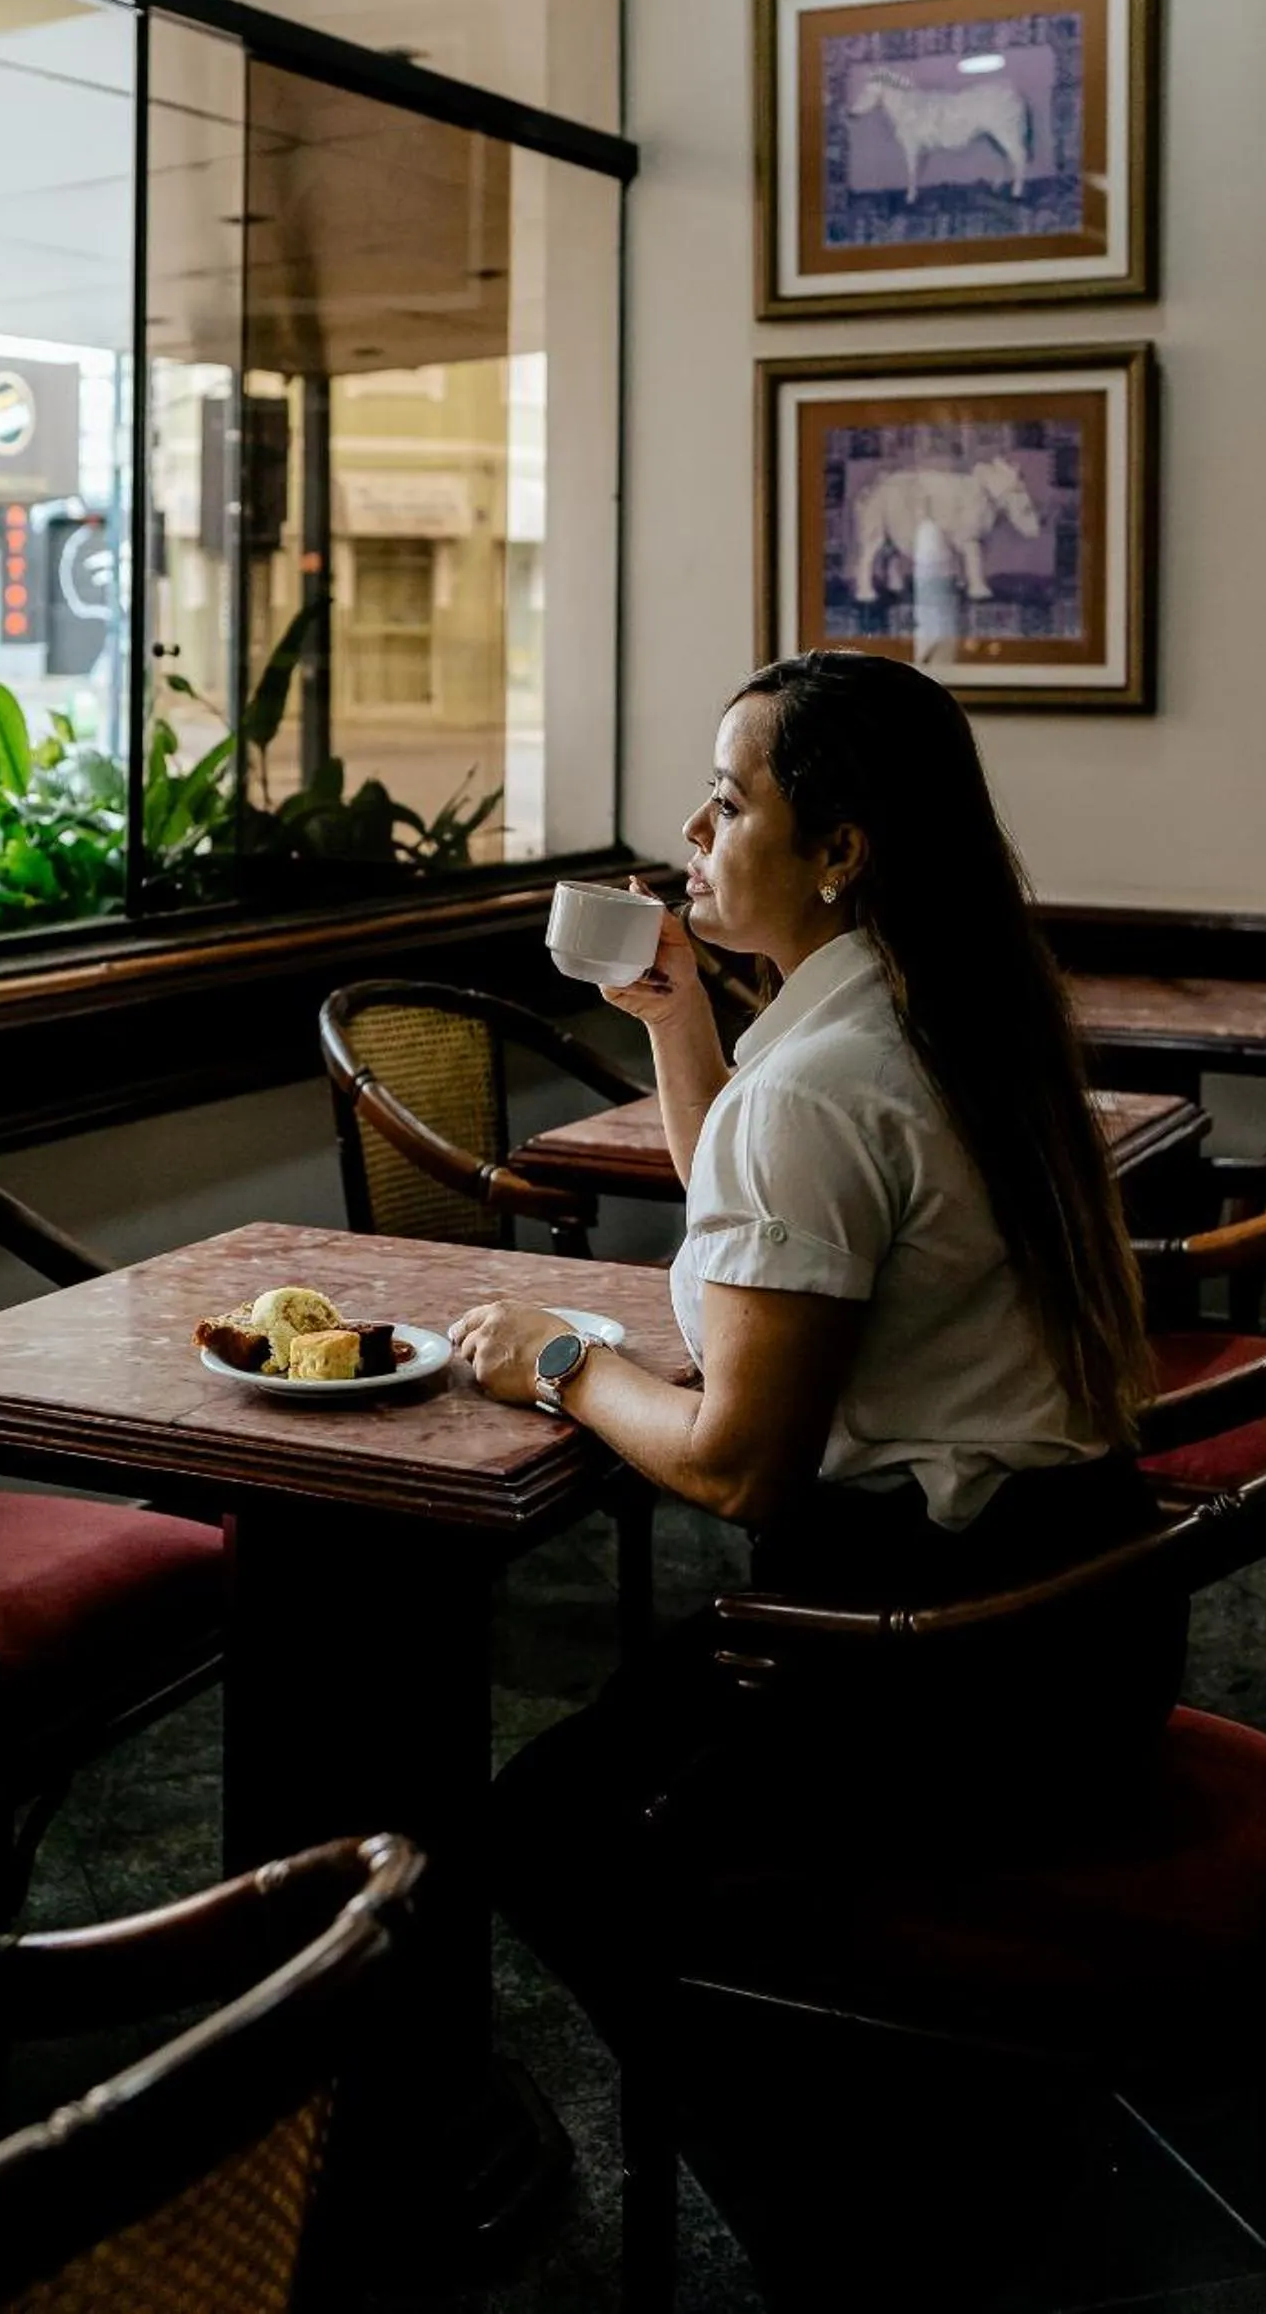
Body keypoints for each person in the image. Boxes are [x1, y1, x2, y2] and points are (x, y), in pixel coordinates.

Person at [451, 649, 1186, 2067]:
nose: (692, 838)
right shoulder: (935, 1011)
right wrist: (680, 1022)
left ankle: (795, 2136)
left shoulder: (823, 1083)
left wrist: (558, 1361)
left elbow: (737, 1462)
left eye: (728, 805)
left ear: (839, 850)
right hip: (1087, 1611)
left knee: (539, 1831)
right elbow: (760, 1198)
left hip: (948, 1658)